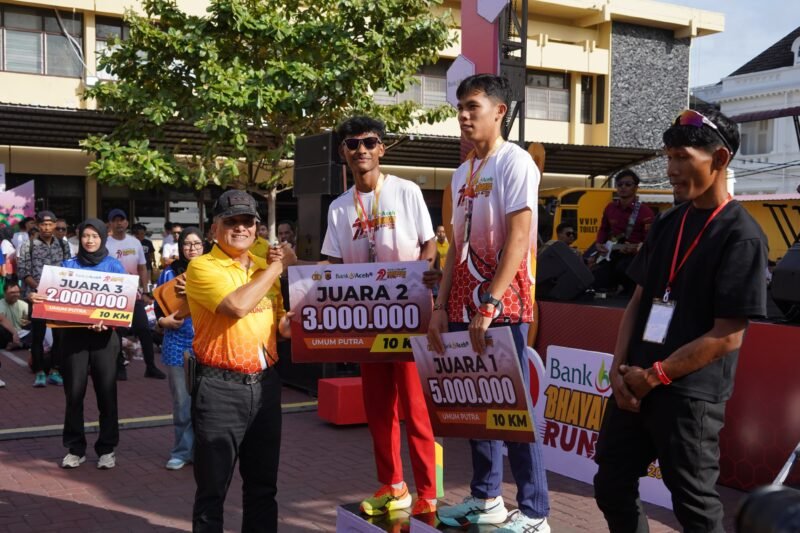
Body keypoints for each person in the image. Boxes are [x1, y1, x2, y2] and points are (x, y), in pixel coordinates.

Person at [592, 107, 768, 533]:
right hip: (634, 383)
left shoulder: (741, 235)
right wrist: (619, 368)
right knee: (611, 484)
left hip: (689, 396)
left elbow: (728, 336)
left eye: (683, 158)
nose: (671, 170)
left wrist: (655, 376)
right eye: (669, 157)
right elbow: (638, 300)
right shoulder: (667, 222)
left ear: (719, 159)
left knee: (694, 508)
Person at [426, 74, 551, 532]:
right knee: (476, 406)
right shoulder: (462, 173)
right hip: (462, 305)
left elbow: (519, 237)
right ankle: (486, 499)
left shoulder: (516, 163)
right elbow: (455, 247)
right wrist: (440, 307)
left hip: (502, 307)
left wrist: (490, 303)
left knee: (512, 411)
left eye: (472, 107)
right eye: (460, 108)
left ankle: (535, 513)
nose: (463, 116)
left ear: (499, 111)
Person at [317, 116, 439, 517]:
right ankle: (393, 485)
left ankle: (427, 491)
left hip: (408, 316)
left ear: (382, 148)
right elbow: (334, 264)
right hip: (366, 320)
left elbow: (429, 246)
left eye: (369, 142)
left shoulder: (406, 191)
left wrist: (419, 282)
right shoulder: (339, 207)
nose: (361, 150)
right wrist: (302, 274)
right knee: (378, 409)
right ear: (343, 152)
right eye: (353, 144)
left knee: (415, 408)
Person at [185, 189, 290, 532]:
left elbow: (281, 328)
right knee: (212, 490)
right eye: (232, 221)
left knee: (263, 487)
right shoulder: (202, 267)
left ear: (257, 228)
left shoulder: (263, 269)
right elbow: (237, 306)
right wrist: (276, 268)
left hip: (266, 385)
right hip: (219, 389)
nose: (241, 228)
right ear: (214, 228)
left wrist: (304, 318)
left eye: (248, 221)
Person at [54, 219, 126, 470]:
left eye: (95, 236)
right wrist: (41, 298)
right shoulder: (68, 266)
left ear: (103, 238)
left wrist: (108, 321)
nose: (90, 240)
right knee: (74, 394)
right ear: (79, 238)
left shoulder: (114, 266)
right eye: (85, 235)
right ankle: (75, 448)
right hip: (74, 338)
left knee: (107, 394)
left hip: (105, 339)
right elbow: (56, 300)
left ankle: (107, 449)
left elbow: (123, 304)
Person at [156, 227, 203, 471]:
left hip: (208, 344)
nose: (192, 248)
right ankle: (182, 451)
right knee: (183, 402)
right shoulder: (168, 273)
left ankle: (204, 451)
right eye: (187, 244)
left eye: (197, 243)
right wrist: (163, 322)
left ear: (204, 246)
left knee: (207, 402)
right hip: (177, 344)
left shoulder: (213, 271)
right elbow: (158, 309)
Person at [105, 208, 166, 380]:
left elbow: (142, 268)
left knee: (144, 329)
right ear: (110, 224)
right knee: (117, 331)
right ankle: (119, 366)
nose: (119, 223)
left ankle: (150, 367)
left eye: (122, 220)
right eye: (115, 220)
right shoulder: (105, 244)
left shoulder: (135, 243)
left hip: (134, 293)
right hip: (114, 294)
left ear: (126, 222)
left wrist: (146, 290)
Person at [18, 210, 70, 388]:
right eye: (43, 224)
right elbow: (24, 272)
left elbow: (68, 269)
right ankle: (39, 372)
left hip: (58, 298)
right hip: (37, 297)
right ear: (37, 225)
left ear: (55, 224)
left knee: (59, 336)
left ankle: (55, 371)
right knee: (38, 336)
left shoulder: (63, 245)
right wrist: (39, 288)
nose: (47, 228)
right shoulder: (28, 245)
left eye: (50, 224)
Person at [591, 169, 655, 296]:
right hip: (612, 253)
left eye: (628, 184)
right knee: (596, 277)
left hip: (634, 259)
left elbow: (649, 240)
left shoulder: (645, 212)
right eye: (620, 184)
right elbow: (603, 229)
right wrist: (599, 243)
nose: (623, 187)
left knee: (624, 269)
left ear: (635, 188)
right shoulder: (610, 208)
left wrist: (635, 249)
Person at [0, 284, 31, 349]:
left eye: (18, 292)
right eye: (12, 292)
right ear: (5, 293)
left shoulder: (24, 304)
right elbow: (1, 318)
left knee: (38, 328)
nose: (16, 294)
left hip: (21, 333)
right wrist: (14, 333)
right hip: (8, 333)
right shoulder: (1, 303)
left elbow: (27, 321)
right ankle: (20, 344)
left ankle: (19, 344)